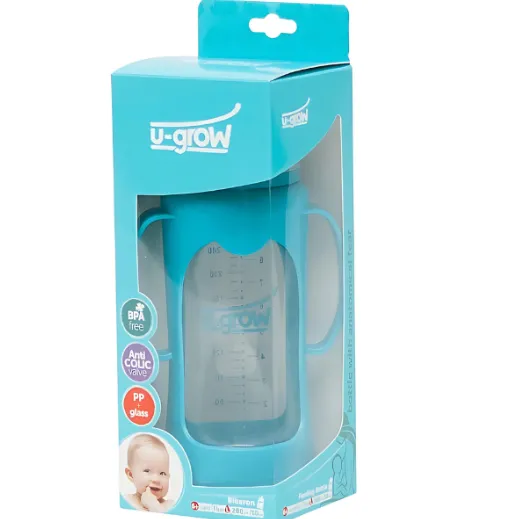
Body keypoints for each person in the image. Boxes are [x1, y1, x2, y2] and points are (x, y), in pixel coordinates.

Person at [124, 434, 175, 512]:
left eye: (162, 473)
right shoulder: (127, 501)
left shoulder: (169, 506)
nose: (156, 479)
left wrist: (153, 505)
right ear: (131, 475)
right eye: (147, 471)